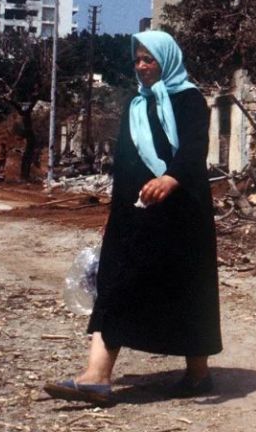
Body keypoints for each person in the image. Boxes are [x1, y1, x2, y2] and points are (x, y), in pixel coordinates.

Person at [45, 31, 221, 407]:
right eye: (137, 59)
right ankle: (96, 376)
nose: (141, 67)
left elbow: (194, 148)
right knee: (114, 282)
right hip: (136, 212)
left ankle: (198, 374)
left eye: (149, 59)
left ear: (167, 60)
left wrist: (170, 178)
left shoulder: (189, 99)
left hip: (183, 213)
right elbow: (125, 165)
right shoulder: (135, 107)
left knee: (187, 288)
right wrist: (116, 213)